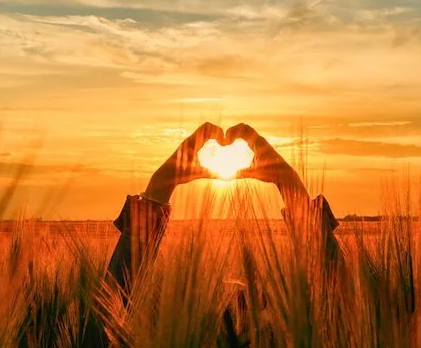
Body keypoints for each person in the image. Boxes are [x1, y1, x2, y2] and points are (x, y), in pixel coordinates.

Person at [105, 121, 341, 292]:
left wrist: (159, 187)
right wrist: (289, 185)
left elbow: (107, 319)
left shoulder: (164, 345)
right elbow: (344, 309)